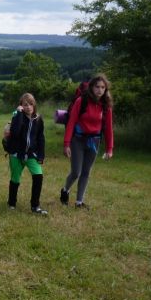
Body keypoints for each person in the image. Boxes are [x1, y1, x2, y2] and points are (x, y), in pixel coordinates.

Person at [60, 74, 114, 209]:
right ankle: (65, 190)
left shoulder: (106, 106)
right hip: (77, 140)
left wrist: (109, 149)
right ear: (91, 87)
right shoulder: (81, 101)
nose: (100, 90)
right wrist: (66, 144)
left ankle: (79, 202)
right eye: (97, 87)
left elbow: (108, 129)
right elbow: (71, 122)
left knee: (86, 172)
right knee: (76, 172)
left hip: (94, 141)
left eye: (103, 87)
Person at [6, 93, 48, 215]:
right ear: (21, 106)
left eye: (31, 104)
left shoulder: (39, 119)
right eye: (25, 105)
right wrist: (18, 114)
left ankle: (35, 206)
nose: (28, 107)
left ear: (34, 105)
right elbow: (15, 132)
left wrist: (41, 155)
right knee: (15, 179)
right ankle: (11, 202)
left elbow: (41, 138)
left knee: (38, 176)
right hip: (16, 154)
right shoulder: (17, 117)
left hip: (31, 154)